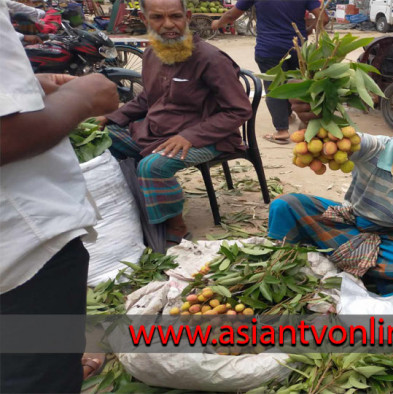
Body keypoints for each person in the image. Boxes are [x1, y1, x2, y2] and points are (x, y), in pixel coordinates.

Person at [0, 0, 119, 390]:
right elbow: (7, 134)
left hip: (21, 252)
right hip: (20, 251)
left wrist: (33, 87)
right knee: (38, 375)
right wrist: (85, 97)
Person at [269, 94, 393, 295]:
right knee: (285, 205)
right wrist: (313, 117)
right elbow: (337, 139)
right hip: (352, 223)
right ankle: (286, 261)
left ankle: (337, 256)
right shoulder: (373, 148)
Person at [96, 0, 252, 246]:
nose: (169, 25)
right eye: (158, 18)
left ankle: (175, 227)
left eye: (176, 17)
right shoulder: (151, 53)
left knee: (153, 166)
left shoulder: (211, 59)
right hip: (157, 130)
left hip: (208, 138)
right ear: (145, 20)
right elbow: (147, 98)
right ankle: (140, 203)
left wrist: (190, 136)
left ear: (187, 17)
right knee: (104, 138)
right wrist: (111, 117)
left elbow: (238, 110)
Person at [212, 0, 328, 144]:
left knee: (274, 86)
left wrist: (217, 24)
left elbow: (231, 15)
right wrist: (309, 29)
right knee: (296, 84)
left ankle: (281, 131)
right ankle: (289, 116)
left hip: (269, 49)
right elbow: (324, 18)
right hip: (298, 48)